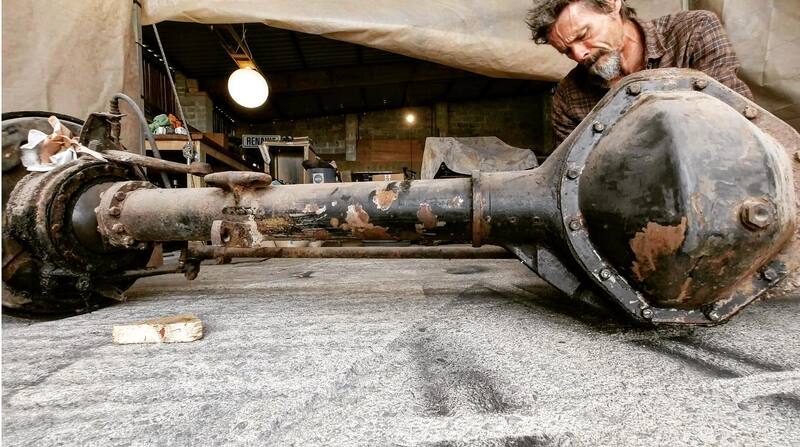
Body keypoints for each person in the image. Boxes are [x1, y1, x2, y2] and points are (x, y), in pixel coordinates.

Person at [526, 0, 753, 146]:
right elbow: (573, 177)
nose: (578, 55)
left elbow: (738, 120)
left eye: (582, 35)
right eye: (566, 50)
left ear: (611, 4)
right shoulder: (569, 97)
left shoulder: (693, 32)